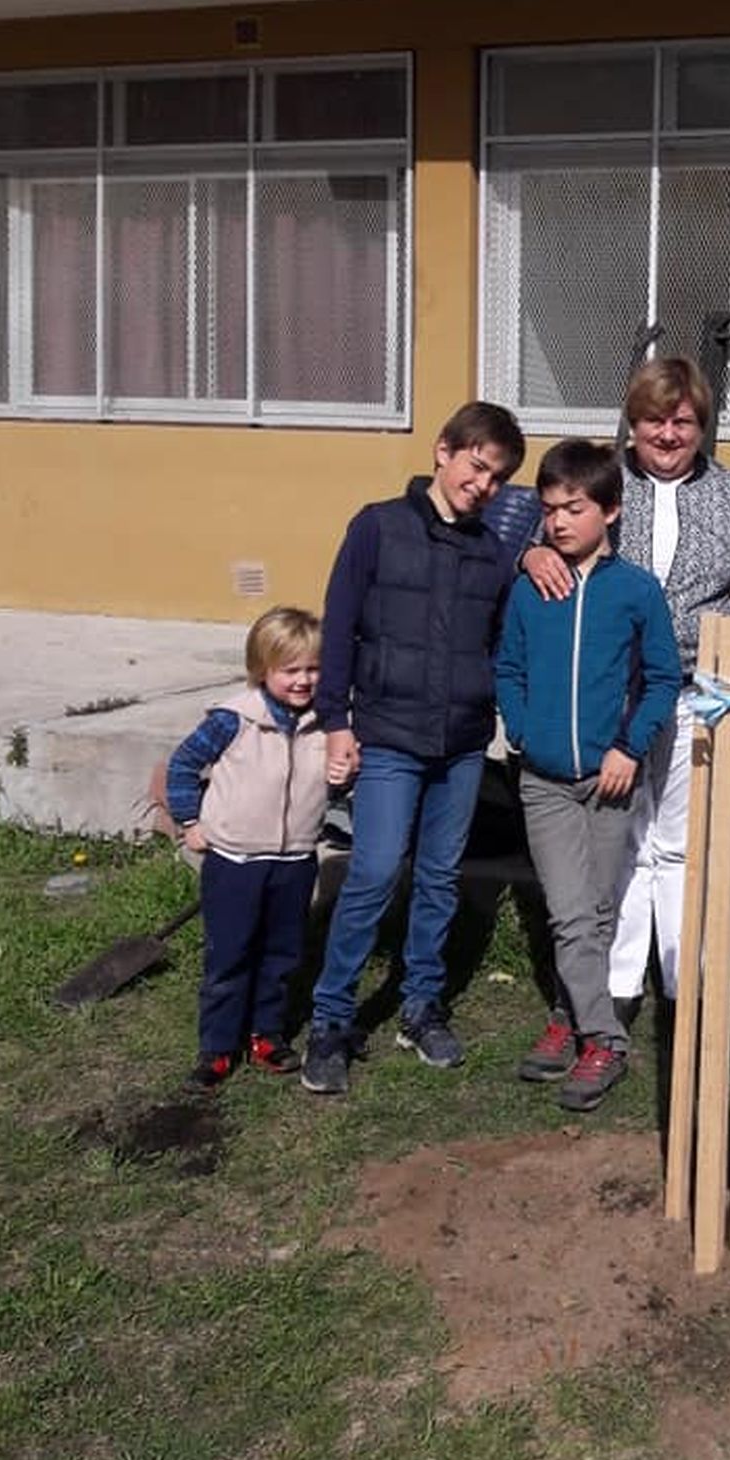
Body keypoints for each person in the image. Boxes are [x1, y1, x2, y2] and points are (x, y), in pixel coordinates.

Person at [521, 357, 730, 1014]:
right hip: (611, 688)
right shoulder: (602, 481)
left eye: (682, 421)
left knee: (681, 838)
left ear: (701, 426)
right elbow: (527, 520)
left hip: (695, 687)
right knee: (623, 834)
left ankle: (683, 977)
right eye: (654, 420)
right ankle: (619, 979)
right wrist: (530, 549)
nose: (668, 434)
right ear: (634, 423)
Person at [302, 399, 526, 1096]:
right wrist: (336, 722)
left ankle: (421, 1005)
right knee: (370, 872)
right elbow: (337, 629)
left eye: (496, 478)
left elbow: (496, 642)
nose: (482, 485)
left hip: (460, 743)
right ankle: (332, 1019)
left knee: (438, 879)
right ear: (443, 451)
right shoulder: (377, 529)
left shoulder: (493, 553)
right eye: (476, 466)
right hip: (389, 737)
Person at [495, 440, 681, 1109]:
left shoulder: (636, 590)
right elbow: (508, 669)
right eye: (549, 511)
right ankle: (606, 1041)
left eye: (573, 508)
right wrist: (519, 729)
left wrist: (630, 747)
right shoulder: (531, 586)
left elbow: (662, 678)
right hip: (544, 781)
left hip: (611, 780)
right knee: (572, 912)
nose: (559, 523)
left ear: (611, 509)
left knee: (596, 913)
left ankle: (569, 1016)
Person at [164, 606, 326, 1090]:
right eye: (290, 670)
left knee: (282, 954)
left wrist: (343, 777)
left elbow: (326, 782)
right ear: (262, 670)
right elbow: (182, 765)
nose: (302, 681)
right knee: (229, 955)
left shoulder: (328, 722)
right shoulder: (234, 719)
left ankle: (266, 1035)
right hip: (234, 861)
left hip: (295, 859)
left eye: (313, 669)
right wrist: (190, 821)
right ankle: (216, 1047)